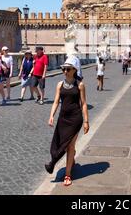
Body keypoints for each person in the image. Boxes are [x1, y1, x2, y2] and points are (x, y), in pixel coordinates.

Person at [45, 58, 90, 187]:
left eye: (68, 69)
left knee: (69, 145)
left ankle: (68, 174)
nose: (65, 71)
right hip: (63, 118)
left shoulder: (80, 85)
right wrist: (51, 116)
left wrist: (86, 121)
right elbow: (55, 102)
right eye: (63, 69)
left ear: (74, 70)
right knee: (62, 144)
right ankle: (72, 157)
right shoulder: (59, 84)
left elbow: (84, 104)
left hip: (75, 119)